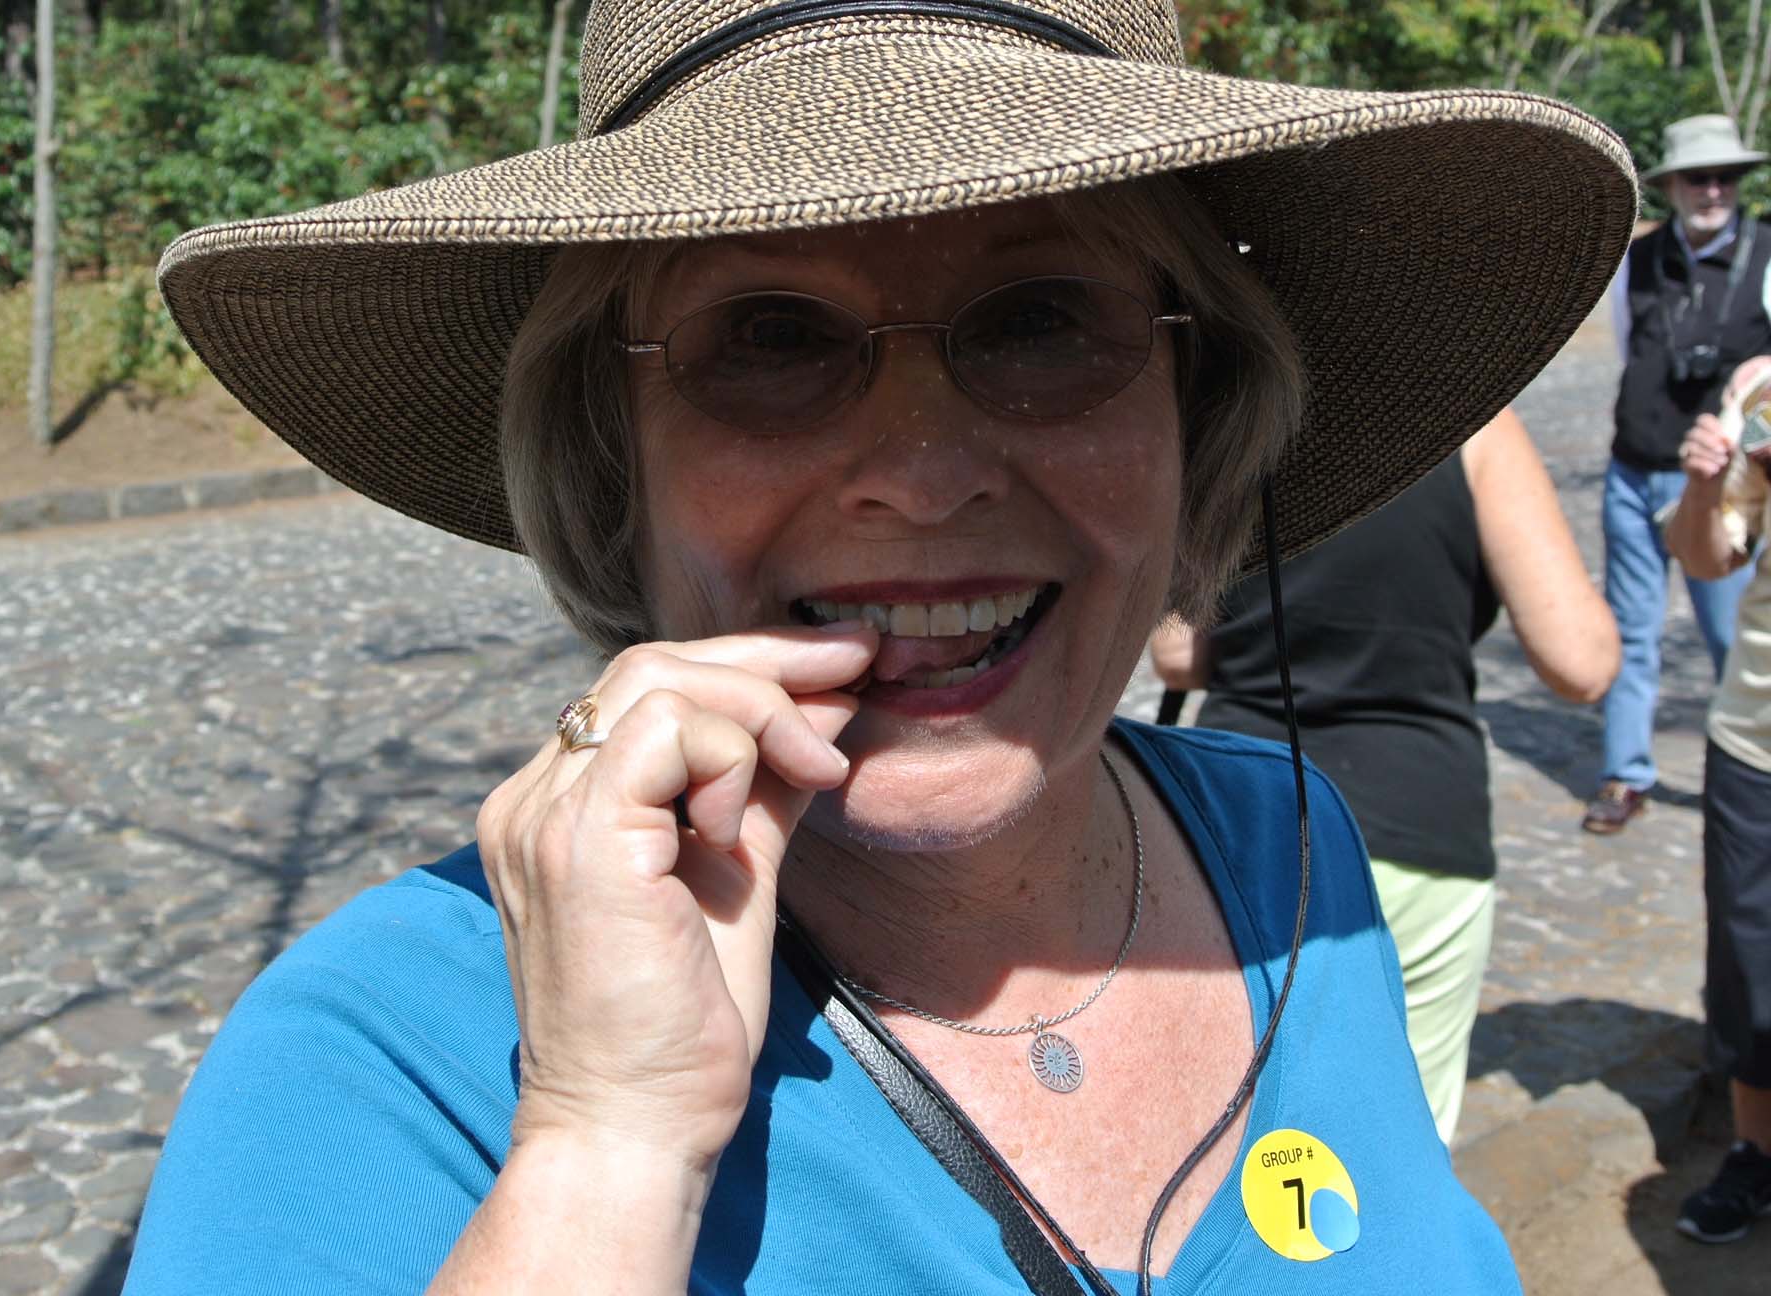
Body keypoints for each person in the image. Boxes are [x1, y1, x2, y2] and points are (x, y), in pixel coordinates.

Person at [122, 2, 1635, 1291]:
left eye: (1041, 320)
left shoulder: (1290, 850)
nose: (919, 474)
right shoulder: (380, 1066)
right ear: (610, 463)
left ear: (1201, 410)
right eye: (771, 335)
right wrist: (606, 1143)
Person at [1150, 407, 1618, 1145]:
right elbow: (1582, 663)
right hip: (1419, 822)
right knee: (1400, 1147)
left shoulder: (1233, 417)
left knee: (1233, 1139)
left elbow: (1179, 657)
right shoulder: (1479, 428)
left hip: (1241, 819)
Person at [1586, 114, 1769, 834]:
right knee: (1632, 631)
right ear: (1673, 187)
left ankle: (1744, 768)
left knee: (1731, 634)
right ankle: (1624, 773)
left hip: (1723, 490)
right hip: (1633, 470)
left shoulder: (1764, 257)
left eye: (1726, 177)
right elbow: (1630, 350)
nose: (1715, 190)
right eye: (1700, 177)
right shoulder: (1639, 260)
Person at [1663, 356, 1771, 1243]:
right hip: (1755, 741)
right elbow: (1708, 557)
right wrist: (1704, 487)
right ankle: (1755, 1153)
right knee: (1748, 964)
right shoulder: (1761, 390)